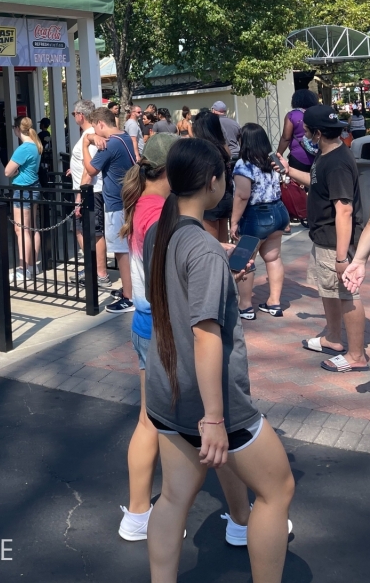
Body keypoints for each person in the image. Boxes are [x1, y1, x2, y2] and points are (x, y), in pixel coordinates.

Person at [144, 138, 294, 582]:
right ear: (212, 182)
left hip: (165, 390)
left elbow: (181, 287)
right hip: (214, 403)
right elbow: (206, 335)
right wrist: (213, 418)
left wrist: (221, 267)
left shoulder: (161, 231)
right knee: (277, 489)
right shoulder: (203, 249)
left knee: (172, 498)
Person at [118, 133, 254, 549]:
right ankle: (243, 519)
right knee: (217, 433)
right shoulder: (159, 215)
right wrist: (215, 261)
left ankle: (144, 514)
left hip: (157, 325)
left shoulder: (153, 212)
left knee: (162, 438)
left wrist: (215, 257)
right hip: (165, 330)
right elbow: (203, 327)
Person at [280, 105, 367, 372]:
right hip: (323, 237)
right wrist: (289, 170)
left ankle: (356, 356)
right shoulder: (325, 154)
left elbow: (344, 209)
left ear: (317, 132)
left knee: (346, 294)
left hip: (335, 241)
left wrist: (343, 257)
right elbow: (318, 183)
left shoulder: (338, 161)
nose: (302, 135)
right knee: (328, 290)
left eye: (305, 131)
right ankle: (332, 337)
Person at [230, 124, 290, 319]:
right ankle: (274, 302)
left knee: (244, 260)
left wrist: (234, 222)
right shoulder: (272, 160)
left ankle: (245, 306)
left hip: (256, 216)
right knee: (273, 258)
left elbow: (242, 195)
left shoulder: (243, 164)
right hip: (278, 211)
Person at [84, 108, 137, 313]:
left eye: (95, 127)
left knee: (121, 251)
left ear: (100, 124)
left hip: (116, 204)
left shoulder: (110, 144)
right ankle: (131, 287)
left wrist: (85, 144)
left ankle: (129, 297)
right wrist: (91, 136)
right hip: (128, 200)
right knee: (129, 250)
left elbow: (91, 170)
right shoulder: (124, 137)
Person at [68, 100, 111, 291]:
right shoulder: (87, 135)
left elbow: (91, 167)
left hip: (90, 191)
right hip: (87, 190)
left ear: (80, 115)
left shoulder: (90, 135)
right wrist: (73, 168)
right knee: (82, 230)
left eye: (73, 113)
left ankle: (100, 273)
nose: (74, 117)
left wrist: (79, 196)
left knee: (94, 232)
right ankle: (91, 268)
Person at [5, 115, 43, 281]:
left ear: (17, 129)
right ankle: (33, 265)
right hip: (33, 186)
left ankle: (23, 268)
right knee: (32, 228)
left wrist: (17, 172)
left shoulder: (23, 148)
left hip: (22, 189)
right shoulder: (36, 145)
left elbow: (7, 171)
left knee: (22, 230)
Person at [191, 109, 233, 245]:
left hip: (210, 199)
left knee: (212, 244)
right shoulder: (223, 146)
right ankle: (227, 266)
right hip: (225, 196)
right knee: (224, 242)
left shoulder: (203, 148)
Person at [276, 89, 320, 171]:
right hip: (319, 156)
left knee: (297, 183)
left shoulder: (292, 115)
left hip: (298, 157)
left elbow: (286, 138)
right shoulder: (318, 114)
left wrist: (279, 155)